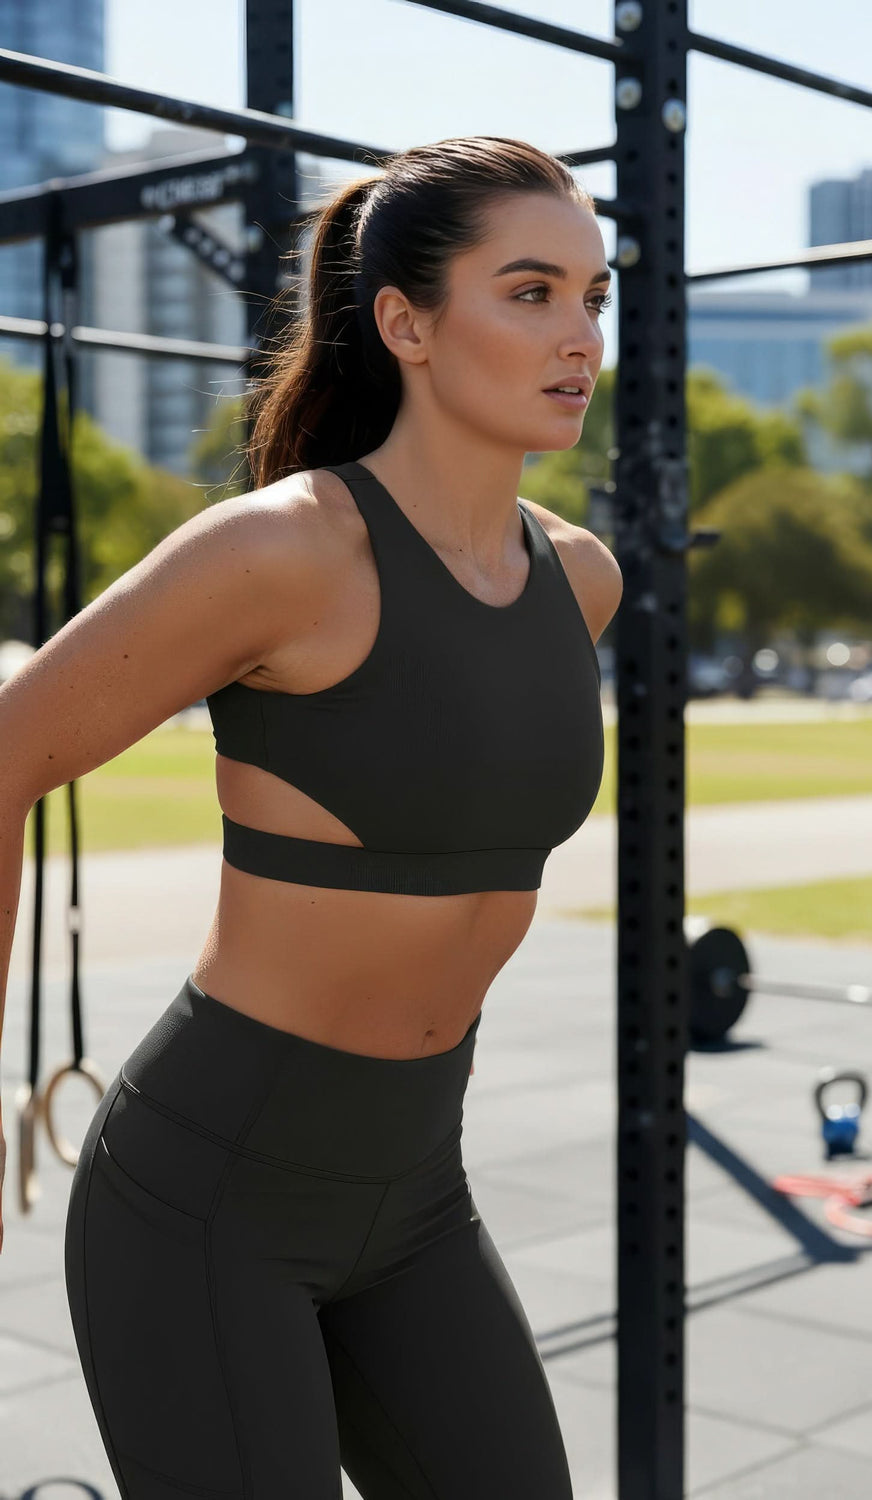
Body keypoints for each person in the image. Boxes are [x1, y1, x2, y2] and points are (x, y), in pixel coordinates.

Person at [0, 134, 622, 1498]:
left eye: (595, 295)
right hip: (203, 1200)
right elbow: (6, 755)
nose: (579, 335)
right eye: (530, 293)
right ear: (403, 320)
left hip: (415, 1197)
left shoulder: (579, 580)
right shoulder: (281, 553)